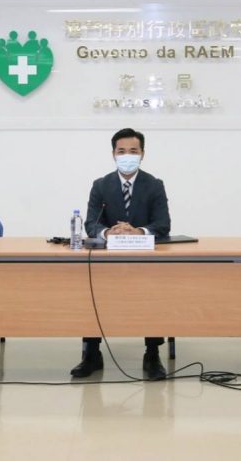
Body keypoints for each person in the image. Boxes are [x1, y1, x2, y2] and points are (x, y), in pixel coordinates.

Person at [71, 128, 171, 380]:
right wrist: (108, 232)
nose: (127, 156)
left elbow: (163, 224)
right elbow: (91, 223)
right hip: (107, 261)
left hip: (144, 261)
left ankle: (152, 354)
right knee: (89, 287)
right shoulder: (101, 185)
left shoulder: (154, 185)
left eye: (133, 151)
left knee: (153, 292)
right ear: (113, 154)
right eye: (122, 151)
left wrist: (138, 231)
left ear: (142, 154)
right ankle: (91, 353)